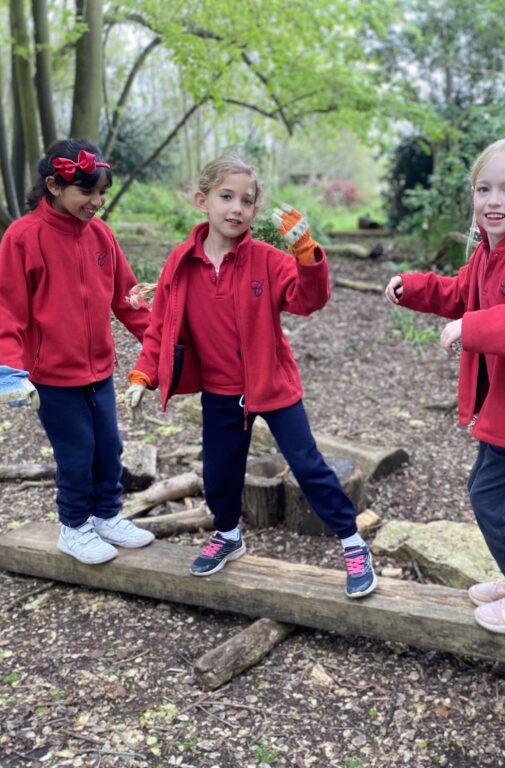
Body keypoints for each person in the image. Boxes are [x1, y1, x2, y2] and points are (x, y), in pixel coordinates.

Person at [123, 155, 377, 598]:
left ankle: (352, 543)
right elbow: (160, 326)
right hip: (220, 393)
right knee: (219, 473)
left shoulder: (267, 260)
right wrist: (143, 375)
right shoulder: (181, 263)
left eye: (247, 200)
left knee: (308, 467)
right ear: (202, 200)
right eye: (226, 197)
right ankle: (228, 534)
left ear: (256, 210)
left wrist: (306, 255)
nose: (236, 208)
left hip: (273, 387)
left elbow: (307, 300)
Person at [384, 134, 505, 633]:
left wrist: (474, 328)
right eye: (484, 189)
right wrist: (413, 287)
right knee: (485, 493)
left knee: (493, 503)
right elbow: (458, 292)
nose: (495, 201)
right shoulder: (491, 253)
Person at [0, 138, 156, 565]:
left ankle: (107, 515)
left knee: (109, 446)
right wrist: (10, 369)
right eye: (87, 192)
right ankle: (74, 526)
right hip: (50, 375)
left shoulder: (101, 234)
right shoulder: (23, 237)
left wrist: (159, 340)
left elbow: (127, 299)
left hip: (98, 368)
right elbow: (8, 310)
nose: (97, 201)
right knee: (77, 451)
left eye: (102, 192)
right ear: (54, 185)